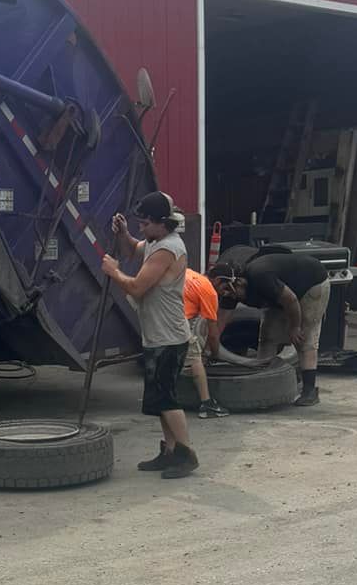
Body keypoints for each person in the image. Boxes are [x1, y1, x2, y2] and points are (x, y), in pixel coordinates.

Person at [102, 192, 198, 478]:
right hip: (158, 335)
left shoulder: (168, 249)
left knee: (166, 399)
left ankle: (185, 454)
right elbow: (133, 249)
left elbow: (136, 288)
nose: (141, 228)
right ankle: (169, 451)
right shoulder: (156, 242)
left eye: (144, 224)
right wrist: (124, 234)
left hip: (169, 337)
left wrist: (114, 272)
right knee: (159, 400)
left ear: (161, 222)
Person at [210, 246, 331, 406]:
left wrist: (294, 327)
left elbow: (291, 300)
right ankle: (263, 379)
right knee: (267, 336)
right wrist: (209, 349)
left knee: (304, 338)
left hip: (311, 284)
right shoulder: (229, 292)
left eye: (225, 290)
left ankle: (310, 391)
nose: (225, 295)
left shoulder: (260, 276)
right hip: (279, 296)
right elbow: (219, 324)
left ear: (237, 282)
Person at [182, 267, 227, 418]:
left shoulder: (189, 273)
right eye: (224, 287)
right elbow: (213, 334)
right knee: (195, 358)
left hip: (156, 317)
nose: (225, 293)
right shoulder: (209, 291)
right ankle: (207, 404)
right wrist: (214, 354)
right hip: (176, 321)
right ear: (217, 280)